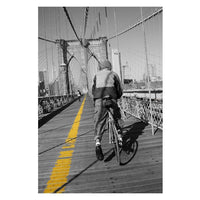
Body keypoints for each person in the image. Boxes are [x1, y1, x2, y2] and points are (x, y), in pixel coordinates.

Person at [92, 59, 123, 161]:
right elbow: (119, 89)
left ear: (100, 67)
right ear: (109, 66)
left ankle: (97, 143)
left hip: (99, 100)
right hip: (111, 98)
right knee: (116, 115)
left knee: (99, 121)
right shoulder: (114, 74)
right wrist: (117, 96)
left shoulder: (96, 75)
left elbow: (93, 90)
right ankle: (119, 136)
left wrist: (96, 99)